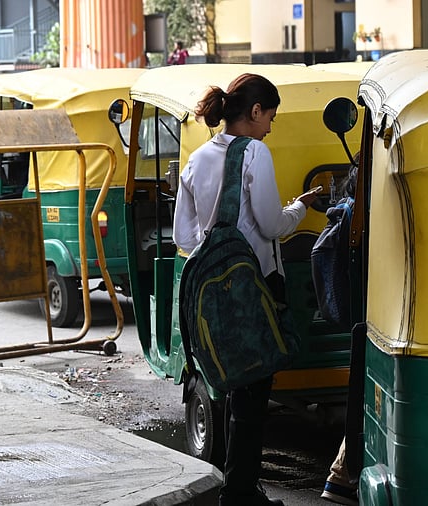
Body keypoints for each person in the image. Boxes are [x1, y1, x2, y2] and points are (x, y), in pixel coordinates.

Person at [172, 73, 318, 506]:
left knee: (237, 392)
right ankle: (239, 493)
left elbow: (183, 236)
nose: (271, 126)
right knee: (253, 398)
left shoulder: (196, 160)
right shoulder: (255, 152)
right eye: (270, 116)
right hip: (254, 289)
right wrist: (299, 207)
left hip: (213, 295)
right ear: (254, 113)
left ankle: (240, 488)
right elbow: (272, 225)